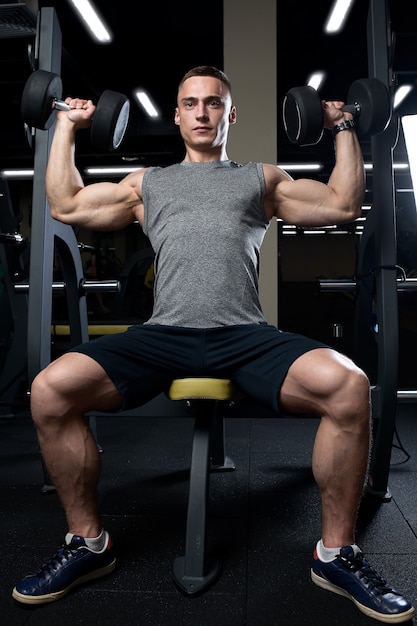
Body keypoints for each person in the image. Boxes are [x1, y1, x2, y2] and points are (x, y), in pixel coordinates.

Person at [12, 65, 414, 622]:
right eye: (191, 103)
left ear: (231, 114)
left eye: (213, 103)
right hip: (162, 336)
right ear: (176, 115)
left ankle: (336, 554)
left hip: (245, 336)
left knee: (348, 386)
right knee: (50, 390)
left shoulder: (260, 179)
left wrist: (343, 123)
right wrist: (66, 126)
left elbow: (342, 204)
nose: (202, 112)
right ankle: (88, 544)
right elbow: (67, 204)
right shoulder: (146, 185)